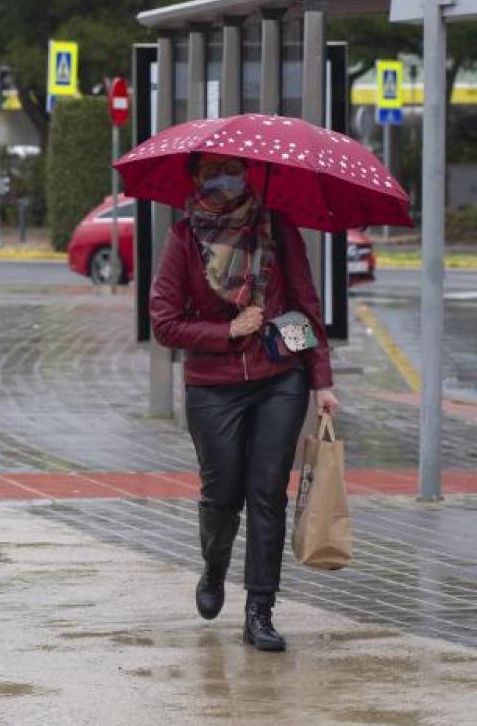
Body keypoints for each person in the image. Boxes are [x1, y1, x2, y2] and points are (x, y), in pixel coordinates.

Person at [149, 152, 340, 652]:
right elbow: (164, 322)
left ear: (250, 175)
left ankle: (260, 610)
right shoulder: (183, 239)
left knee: (266, 492)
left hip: (281, 379)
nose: (225, 179)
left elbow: (307, 307)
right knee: (223, 494)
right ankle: (213, 569)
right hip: (212, 386)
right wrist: (227, 329)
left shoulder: (277, 227)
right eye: (212, 171)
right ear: (195, 179)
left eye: (233, 169)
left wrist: (322, 382)